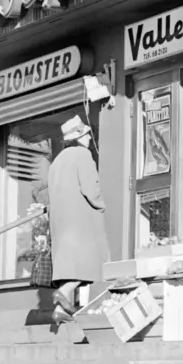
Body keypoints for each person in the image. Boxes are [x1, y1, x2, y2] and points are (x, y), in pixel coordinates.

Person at [47, 114, 111, 324]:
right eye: (86, 135)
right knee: (89, 265)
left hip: (62, 223)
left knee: (72, 266)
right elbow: (91, 189)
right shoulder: (83, 155)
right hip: (82, 222)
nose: (89, 139)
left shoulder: (57, 161)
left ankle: (62, 310)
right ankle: (64, 293)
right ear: (78, 137)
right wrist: (102, 206)